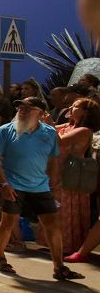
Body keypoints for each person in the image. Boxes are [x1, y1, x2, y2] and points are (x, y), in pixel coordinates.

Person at [0, 96, 83, 280]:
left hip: (40, 186)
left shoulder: (48, 133)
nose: (22, 110)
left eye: (27, 108)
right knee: (8, 222)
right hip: (13, 184)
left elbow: (53, 158)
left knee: (53, 225)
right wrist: (4, 184)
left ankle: (59, 267)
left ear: (40, 113)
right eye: (20, 107)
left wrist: (53, 182)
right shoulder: (5, 130)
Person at [52, 98, 100, 255]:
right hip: (57, 171)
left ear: (85, 112)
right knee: (55, 207)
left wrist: (48, 123)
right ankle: (53, 241)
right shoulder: (68, 125)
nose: (70, 108)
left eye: (75, 106)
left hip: (71, 174)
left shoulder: (85, 130)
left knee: (66, 207)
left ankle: (67, 244)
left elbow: (58, 140)